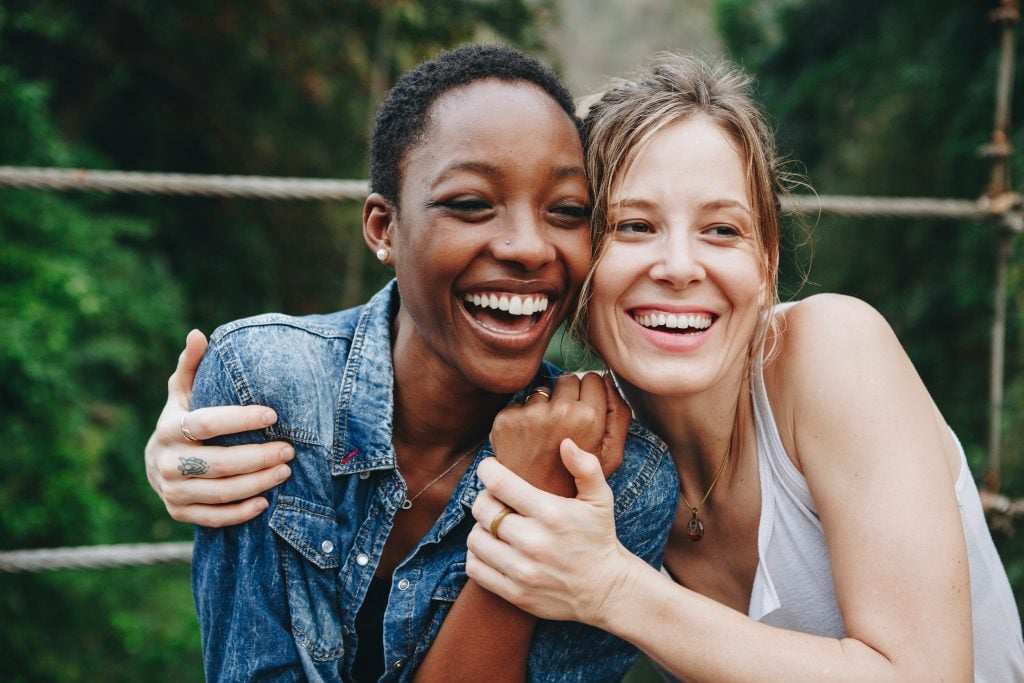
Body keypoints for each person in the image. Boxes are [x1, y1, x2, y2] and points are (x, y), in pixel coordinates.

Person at [463, 54, 1024, 682]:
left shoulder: (831, 349)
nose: (679, 266)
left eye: (722, 230)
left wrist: (615, 589)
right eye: (634, 226)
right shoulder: (602, 461)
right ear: (578, 265)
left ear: (767, 264)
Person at [147, 44, 680, 682]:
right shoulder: (267, 389)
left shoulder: (621, 483)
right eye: (470, 204)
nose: (530, 247)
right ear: (383, 229)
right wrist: (526, 510)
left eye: (566, 212)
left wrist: (537, 501)